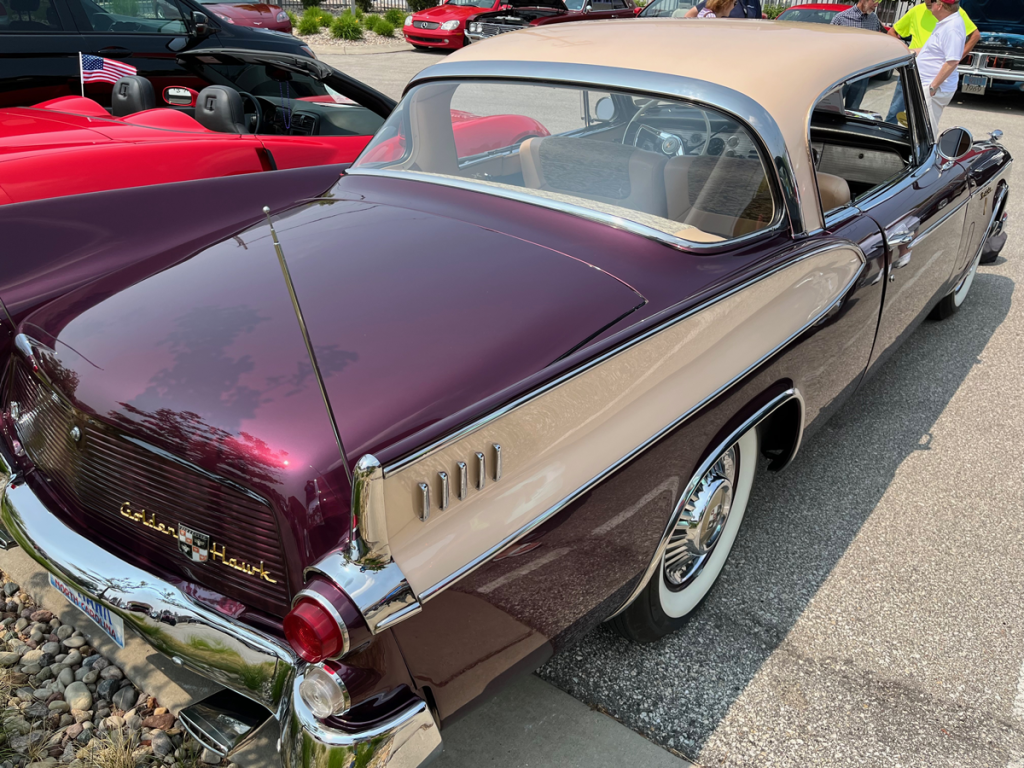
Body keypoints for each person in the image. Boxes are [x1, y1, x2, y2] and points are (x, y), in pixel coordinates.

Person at [884, 0, 980, 122]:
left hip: (931, 82)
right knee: (896, 112)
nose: (928, 2)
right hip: (910, 71)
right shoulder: (918, 11)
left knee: (922, 123)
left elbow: (975, 36)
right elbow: (892, 32)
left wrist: (954, 58)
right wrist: (904, 54)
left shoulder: (954, 16)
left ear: (940, 5)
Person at [915, 0, 966, 133]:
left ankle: (926, 154)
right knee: (918, 127)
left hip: (933, 89)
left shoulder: (952, 27)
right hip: (928, 86)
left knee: (925, 131)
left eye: (932, 1)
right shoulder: (946, 23)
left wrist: (933, 87)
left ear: (940, 5)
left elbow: (952, 61)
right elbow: (935, 51)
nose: (929, 4)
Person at [829, 0, 885, 110]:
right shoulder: (841, 18)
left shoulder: (874, 19)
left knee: (853, 109)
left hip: (862, 74)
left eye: (879, 1)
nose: (877, 4)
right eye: (875, 0)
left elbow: (874, 44)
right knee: (832, 108)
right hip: (841, 74)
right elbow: (830, 46)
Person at [684, 0, 760, 20]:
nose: (734, 6)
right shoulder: (709, 15)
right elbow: (689, 15)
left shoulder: (755, 1)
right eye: (734, 3)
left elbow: (758, 24)